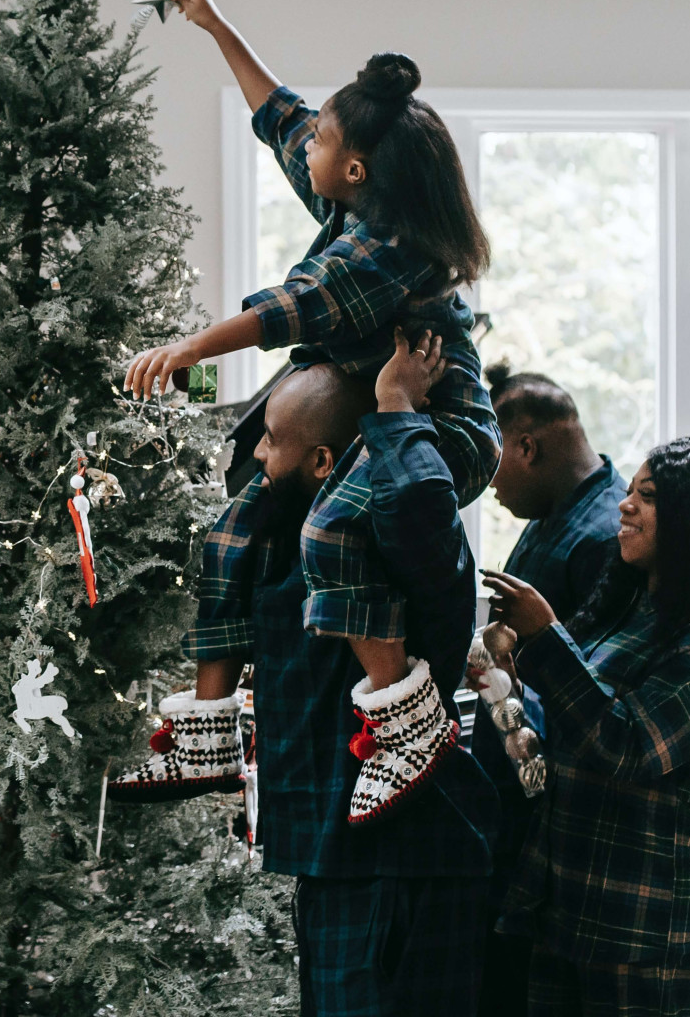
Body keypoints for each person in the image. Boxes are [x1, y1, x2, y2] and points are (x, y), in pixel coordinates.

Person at [115, 0, 499, 817]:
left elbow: (287, 310)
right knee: (232, 531)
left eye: (326, 140)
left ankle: (408, 719)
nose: (310, 146)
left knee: (331, 528)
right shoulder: (353, 191)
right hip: (377, 413)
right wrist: (217, 25)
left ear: (354, 168)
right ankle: (206, 737)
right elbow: (280, 116)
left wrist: (187, 351)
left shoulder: (386, 251)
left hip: (442, 429)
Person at [153, 357, 499, 1016]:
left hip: (400, 865)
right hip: (333, 858)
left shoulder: (401, 543)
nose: (255, 453)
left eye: (271, 439)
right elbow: (238, 518)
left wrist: (395, 406)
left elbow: (424, 498)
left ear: (321, 461)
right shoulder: (286, 541)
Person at [481, 436, 690, 1017]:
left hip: (648, 926)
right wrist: (510, 681)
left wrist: (548, 635)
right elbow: (578, 724)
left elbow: (627, 745)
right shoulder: (631, 611)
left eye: (647, 497)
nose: (625, 505)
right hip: (572, 900)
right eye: (629, 493)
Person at [473, 365, 626, 1017]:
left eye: (493, 463)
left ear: (526, 446)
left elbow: (587, 691)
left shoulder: (602, 540)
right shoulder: (557, 511)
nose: (490, 484)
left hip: (544, 808)